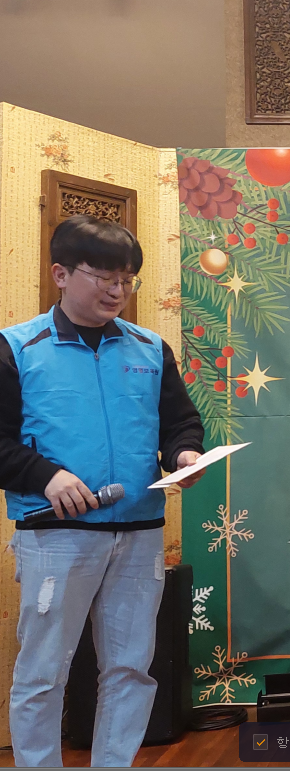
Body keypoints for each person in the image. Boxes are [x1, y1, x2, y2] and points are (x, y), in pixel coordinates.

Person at [0, 214, 206, 767]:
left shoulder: (150, 348)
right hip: (56, 535)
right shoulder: (17, 347)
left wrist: (185, 454)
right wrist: (46, 475)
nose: (118, 291)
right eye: (105, 277)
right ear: (61, 274)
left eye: (127, 279)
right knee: (44, 672)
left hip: (139, 532)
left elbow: (180, 423)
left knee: (131, 668)